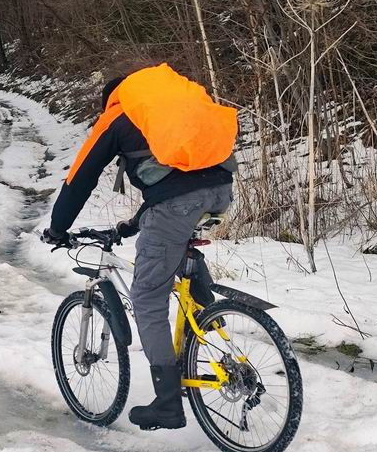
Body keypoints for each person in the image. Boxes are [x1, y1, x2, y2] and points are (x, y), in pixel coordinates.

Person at [41, 65, 235, 431]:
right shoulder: (166, 106)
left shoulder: (117, 115)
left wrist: (58, 228)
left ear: (109, 101)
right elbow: (175, 176)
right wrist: (135, 223)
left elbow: (80, 177)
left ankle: (167, 404)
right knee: (174, 245)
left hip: (178, 202)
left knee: (146, 297)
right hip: (221, 191)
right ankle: (207, 317)